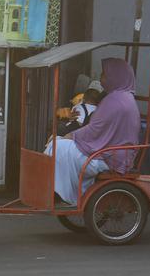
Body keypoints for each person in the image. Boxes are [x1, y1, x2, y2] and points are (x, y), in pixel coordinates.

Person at [44, 58, 142, 207]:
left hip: (108, 157)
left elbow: (94, 130)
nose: (101, 78)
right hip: (116, 155)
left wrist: (70, 136)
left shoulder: (114, 100)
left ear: (115, 76)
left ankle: (65, 194)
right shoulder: (125, 98)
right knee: (59, 144)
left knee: (57, 147)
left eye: (104, 74)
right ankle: (63, 191)